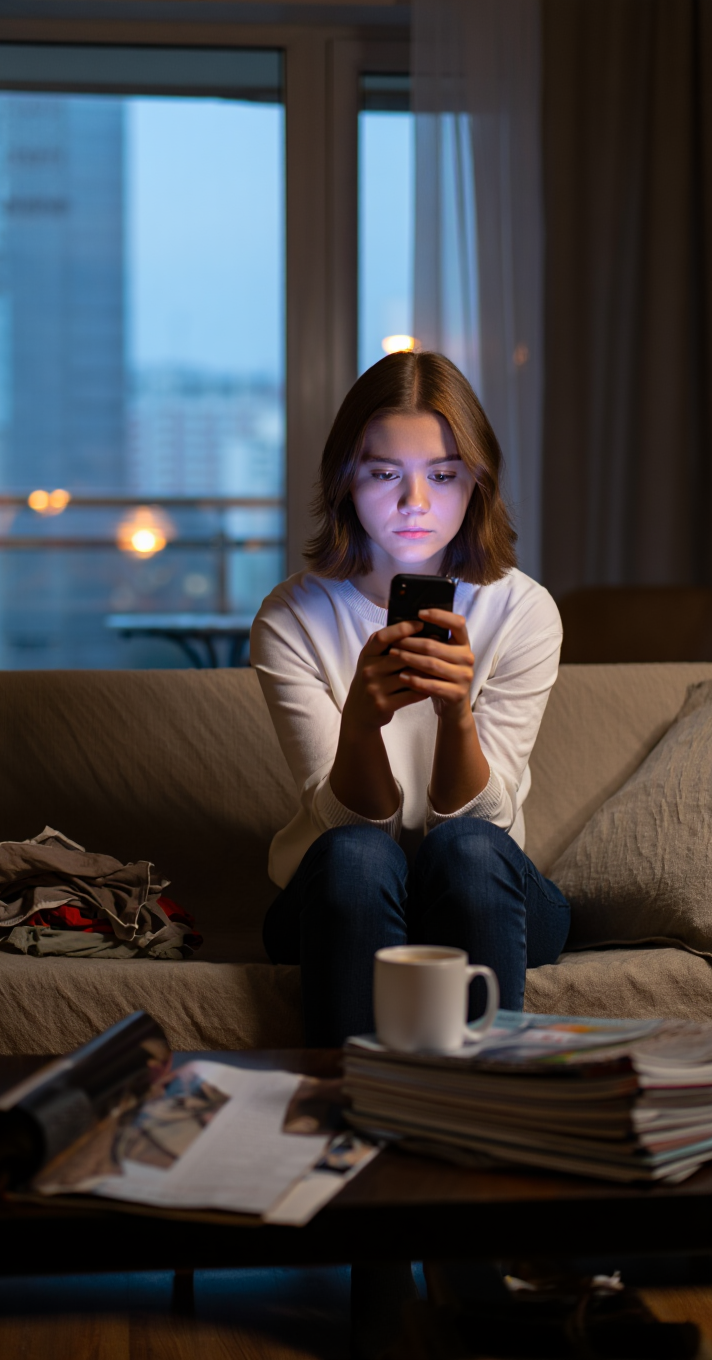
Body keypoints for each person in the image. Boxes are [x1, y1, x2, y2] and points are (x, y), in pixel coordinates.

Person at [250, 349, 570, 1359]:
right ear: (346, 479)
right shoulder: (294, 616)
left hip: (482, 872)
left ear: (477, 479)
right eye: (384, 471)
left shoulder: (522, 609)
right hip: (344, 879)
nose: (415, 499)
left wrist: (458, 712)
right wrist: (361, 720)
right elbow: (353, 825)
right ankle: (377, 1248)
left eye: (443, 471)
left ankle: (486, 1230)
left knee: (469, 852)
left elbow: (494, 814)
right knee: (354, 861)